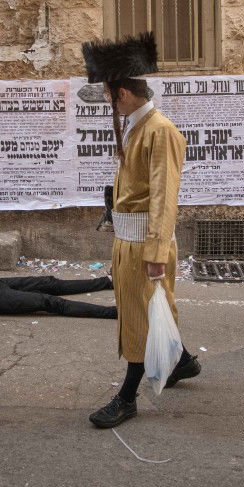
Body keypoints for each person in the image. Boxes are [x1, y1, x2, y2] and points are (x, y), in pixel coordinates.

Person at [82, 32, 200, 430]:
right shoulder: (138, 125)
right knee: (150, 311)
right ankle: (181, 361)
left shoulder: (159, 130)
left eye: (107, 94)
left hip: (144, 247)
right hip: (127, 242)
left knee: (138, 320)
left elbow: (166, 198)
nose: (105, 101)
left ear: (123, 94)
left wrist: (154, 254)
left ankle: (128, 397)